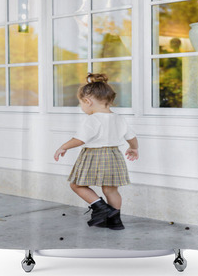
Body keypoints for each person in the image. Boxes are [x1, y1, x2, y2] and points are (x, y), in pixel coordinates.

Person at [54, 73, 138, 230]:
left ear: (88, 101)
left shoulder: (93, 119)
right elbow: (132, 137)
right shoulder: (119, 118)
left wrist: (63, 146)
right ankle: (115, 221)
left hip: (94, 156)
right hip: (114, 156)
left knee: (76, 185)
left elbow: (80, 139)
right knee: (111, 190)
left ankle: (102, 208)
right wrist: (134, 148)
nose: (82, 107)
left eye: (81, 104)